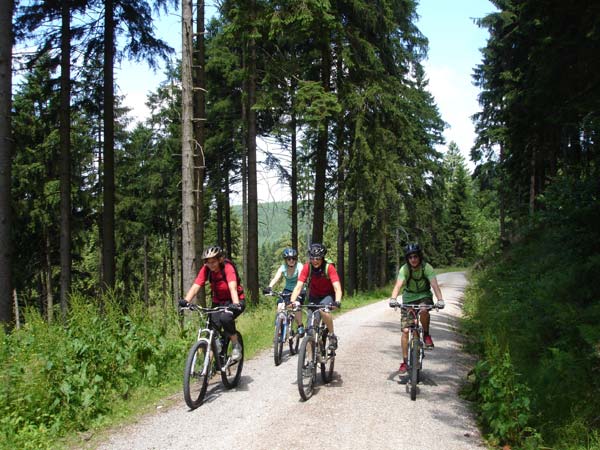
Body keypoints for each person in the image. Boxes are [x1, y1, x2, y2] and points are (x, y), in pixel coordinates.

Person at [181, 246, 245, 361]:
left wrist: (235, 304)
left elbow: (233, 287)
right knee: (212, 330)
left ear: (220, 259)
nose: (211, 265)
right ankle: (208, 369)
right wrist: (186, 301)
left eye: (213, 262)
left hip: (235, 300)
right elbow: (196, 286)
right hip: (218, 302)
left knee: (225, 318)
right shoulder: (206, 269)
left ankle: (236, 345)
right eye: (208, 262)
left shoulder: (228, 268)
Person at [389, 243, 445, 374]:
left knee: (424, 309)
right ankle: (404, 361)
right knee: (405, 330)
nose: (413, 259)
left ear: (419, 257)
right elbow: (398, 285)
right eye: (410, 257)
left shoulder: (427, 268)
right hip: (408, 299)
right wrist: (393, 298)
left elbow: (434, 285)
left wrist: (440, 300)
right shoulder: (405, 269)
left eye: (415, 256)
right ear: (407, 259)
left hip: (424, 296)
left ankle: (426, 335)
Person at [290, 243, 342, 351]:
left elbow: (337, 288)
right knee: (309, 330)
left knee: (324, 310)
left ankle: (332, 335)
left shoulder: (329, 267)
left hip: (328, 295)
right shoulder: (307, 267)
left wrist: (337, 301)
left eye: (318, 258)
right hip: (314, 296)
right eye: (312, 258)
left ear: (322, 258)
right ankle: (309, 362)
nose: (315, 261)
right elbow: (298, 286)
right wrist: (293, 301)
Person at [263, 247, 305, 336]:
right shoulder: (283, 267)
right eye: (289, 259)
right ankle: (278, 329)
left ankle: (300, 325)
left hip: (299, 289)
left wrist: (296, 294)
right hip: (287, 289)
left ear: (296, 259)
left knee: (296, 305)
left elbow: (300, 280)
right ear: (286, 260)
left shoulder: (299, 266)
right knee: (280, 306)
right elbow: (276, 278)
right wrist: (269, 287)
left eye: (293, 258)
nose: (291, 260)